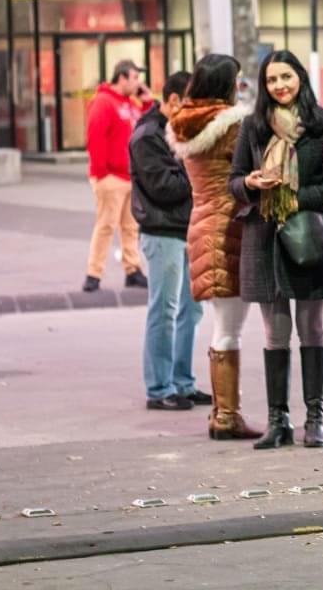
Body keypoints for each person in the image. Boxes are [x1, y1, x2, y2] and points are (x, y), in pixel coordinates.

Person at [230, 50, 323, 451]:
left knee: (311, 327)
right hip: (264, 236)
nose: (279, 86)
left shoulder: (322, 123)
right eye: (272, 79)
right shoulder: (253, 127)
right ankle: (279, 422)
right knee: (276, 331)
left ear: (300, 78)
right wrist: (252, 184)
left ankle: (315, 418)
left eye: (286, 77)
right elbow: (234, 181)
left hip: (306, 234)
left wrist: (296, 197)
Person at [168, 53, 261, 442]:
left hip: (201, 224)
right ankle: (227, 416)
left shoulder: (182, 124)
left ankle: (224, 412)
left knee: (221, 324)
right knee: (229, 327)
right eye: (237, 80)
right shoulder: (234, 125)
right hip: (229, 227)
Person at [131, 70, 209, 411]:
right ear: (174, 100)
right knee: (164, 310)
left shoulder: (179, 130)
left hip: (187, 229)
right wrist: (194, 169)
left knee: (191, 310)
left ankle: (182, 382)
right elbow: (164, 186)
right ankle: (159, 388)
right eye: (191, 103)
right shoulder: (147, 135)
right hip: (162, 233)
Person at [83, 58, 150, 293]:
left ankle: (132, 269)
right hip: (111, 177)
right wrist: (101, 173)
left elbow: (147, 123)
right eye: (134, 78)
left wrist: (147, 100)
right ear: (122, 77)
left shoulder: (130, 104)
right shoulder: (104, 102)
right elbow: (95, 138)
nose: (138, 82)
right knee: (106, 226)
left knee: (130, 227)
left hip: (129, 175)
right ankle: (94, 273)